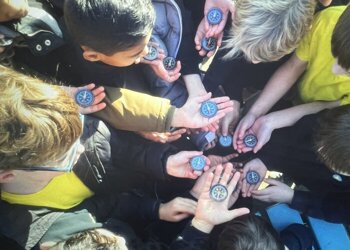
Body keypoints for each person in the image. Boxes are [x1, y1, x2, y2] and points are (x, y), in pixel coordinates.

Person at [234, 4, 350, 153]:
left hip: (322, 117)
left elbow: (328, 107)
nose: (334, 70)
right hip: (299, 87)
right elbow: (294, 67)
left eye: (347, 71)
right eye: (335, 54)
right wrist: (255, 113)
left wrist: (270, 122)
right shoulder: (330, 21)